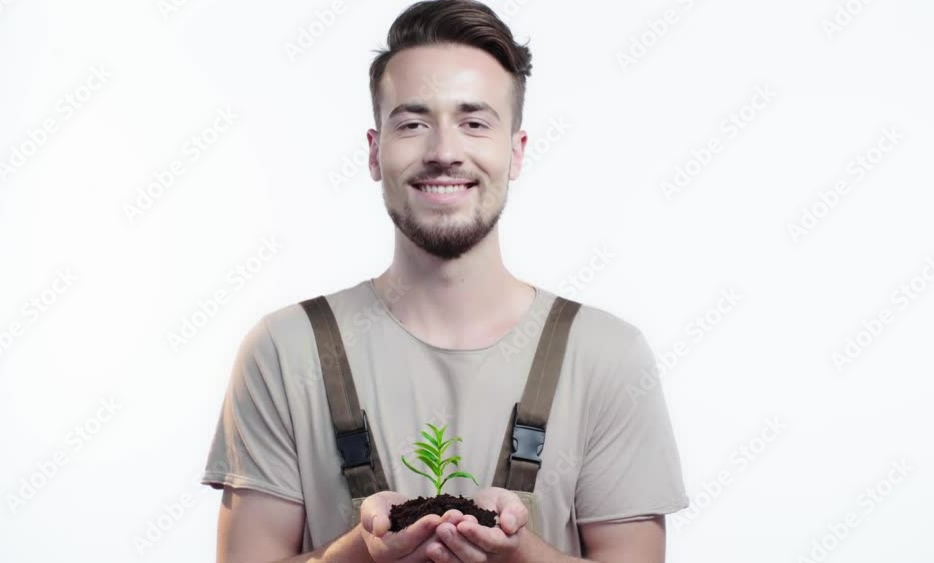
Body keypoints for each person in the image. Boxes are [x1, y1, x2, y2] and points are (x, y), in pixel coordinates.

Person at [200, 1, 689, 561]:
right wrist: (361, 552)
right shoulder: (285, 352)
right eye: (412, 124)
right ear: (374, 151)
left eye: (474, 123)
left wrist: (521, 553)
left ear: (516, 151)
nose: (444, 152)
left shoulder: (605, 355)